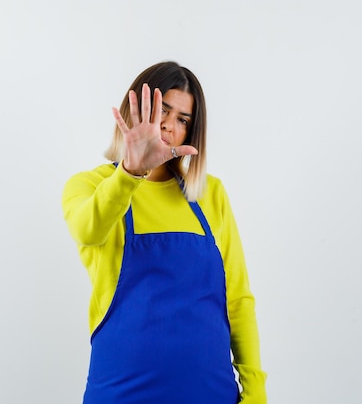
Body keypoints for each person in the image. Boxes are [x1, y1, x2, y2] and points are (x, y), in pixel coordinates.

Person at [61, 61, 267, 403]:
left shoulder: (209, 194)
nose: (169, 126)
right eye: (163, 112)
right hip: (121, 392)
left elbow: (238, 301)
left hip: (210, 393)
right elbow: (88, 230)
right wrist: (130, 171)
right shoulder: (90, 186)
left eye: (183, 120)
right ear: (134, 111)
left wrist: (256, 392)